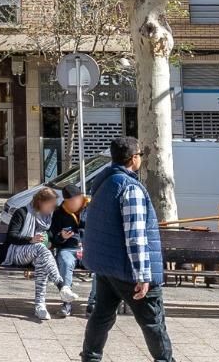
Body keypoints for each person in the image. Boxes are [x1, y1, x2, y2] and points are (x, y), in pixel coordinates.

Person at [79, 136, 173, 362]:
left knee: (101, 316)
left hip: (107, 266)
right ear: (133, 158)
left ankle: (90, 358)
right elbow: (136, 235)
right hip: (129, 269)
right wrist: (142, 275)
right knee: (153, 321)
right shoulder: (130, 188)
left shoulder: (103, 182)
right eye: (140, 154)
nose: (140, 158)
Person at [0, 187, 80, 321]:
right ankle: (61, 286)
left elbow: (52, 239)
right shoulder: (22, 212)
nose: (53, 208)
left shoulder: (48, 218)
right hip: (16, 252)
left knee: (42, 260)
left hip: (37, 254)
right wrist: (30, 239)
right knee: (40, 249)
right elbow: (11, 236)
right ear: (41, 202)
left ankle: (40, 306)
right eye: (51, 205)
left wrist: (62, 237)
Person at [50, 185, 88, 317]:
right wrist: (61, 237)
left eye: (74, 201)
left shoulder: (92, 208)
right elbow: (53, 238)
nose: (72, 204)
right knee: (65, 261)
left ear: (80, 197)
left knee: (100, 265)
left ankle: (93, 303)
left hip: (89, 249)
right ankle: (66, 302)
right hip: (68, 249)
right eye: (69, 202)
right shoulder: (59, 213)